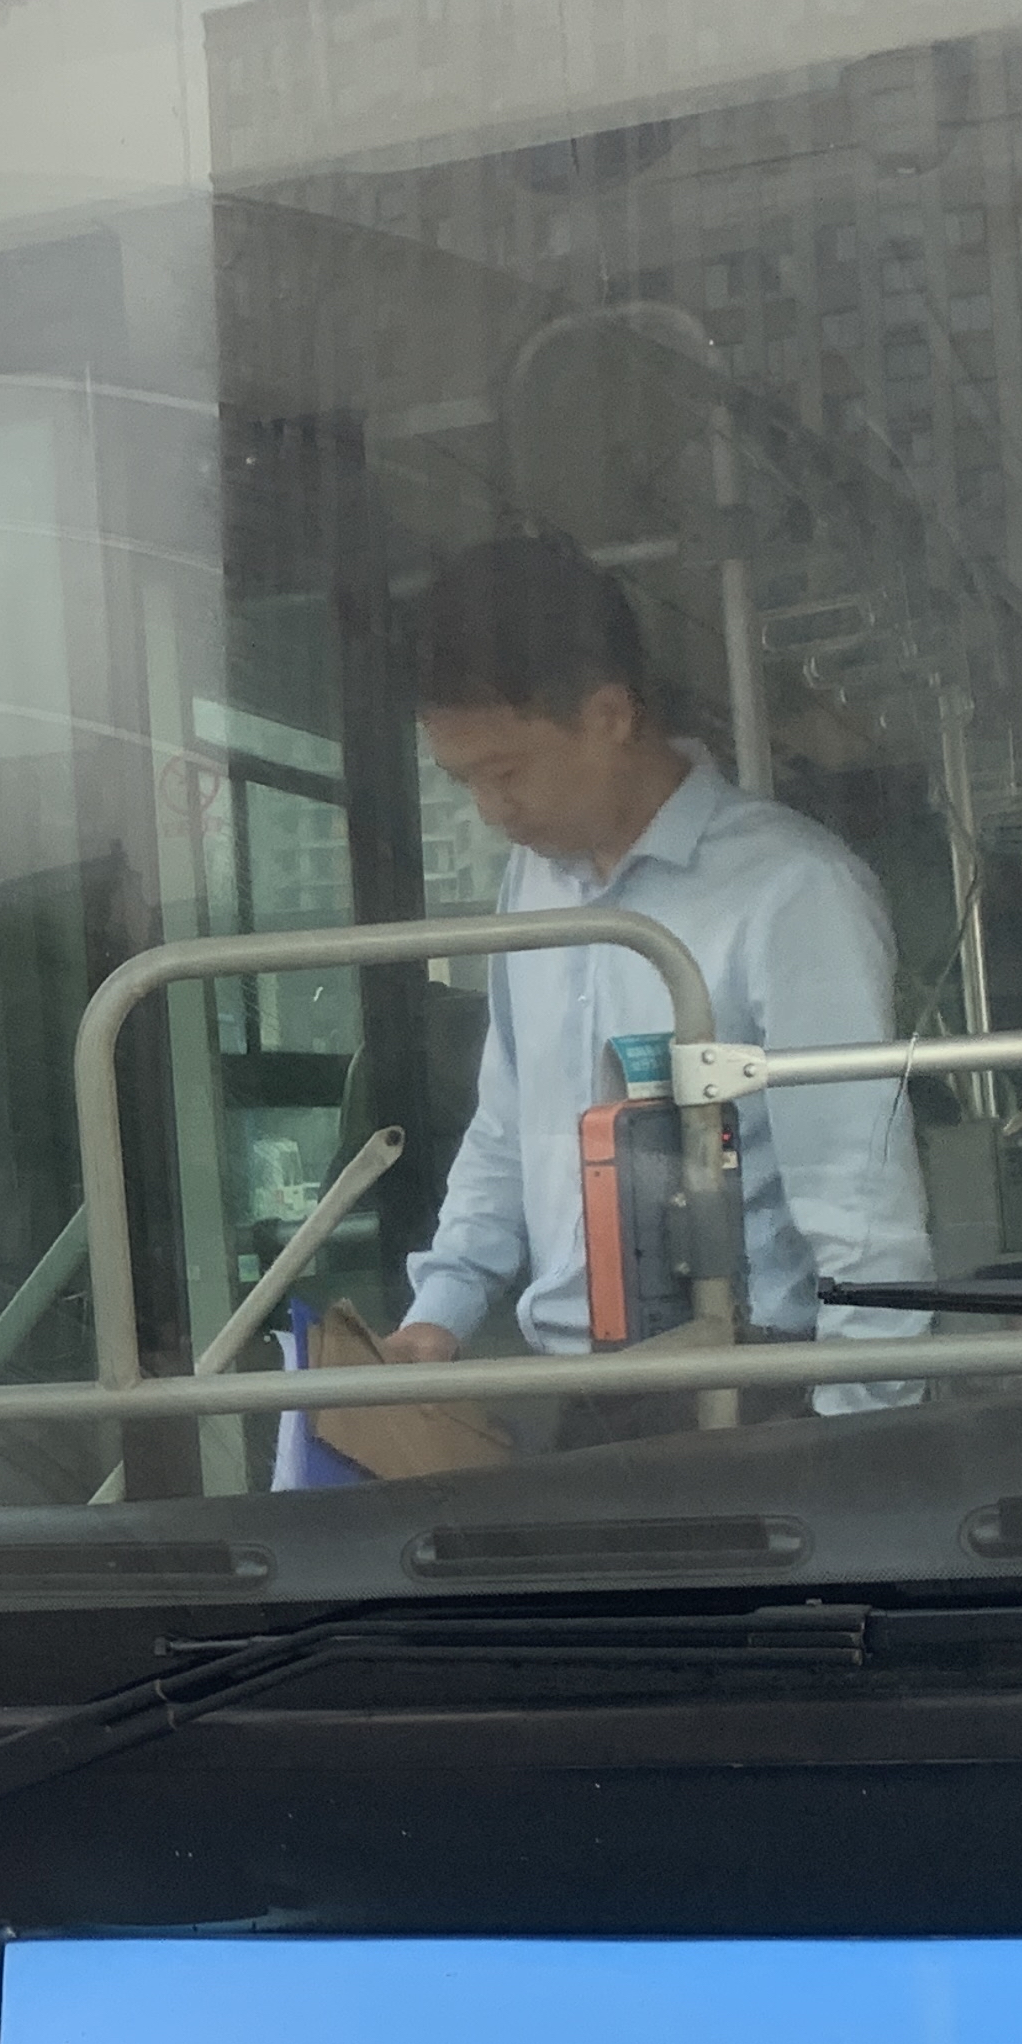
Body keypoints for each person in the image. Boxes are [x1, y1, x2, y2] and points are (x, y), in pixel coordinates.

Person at [381, 533, 932, 1404]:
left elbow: (855, 1192)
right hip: (578, 1388)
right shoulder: (532, 882)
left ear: (609, 716)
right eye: (463, 782)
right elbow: (510, 1122)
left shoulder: (792, 890)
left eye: (507, 772)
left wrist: (859, 1423)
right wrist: (440, 1310)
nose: (490, 811)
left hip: (749, 1379)